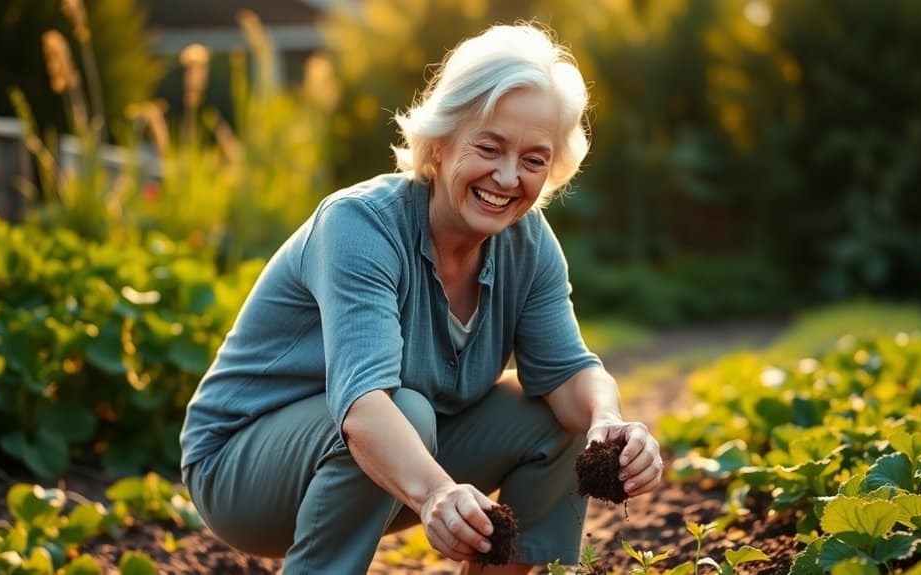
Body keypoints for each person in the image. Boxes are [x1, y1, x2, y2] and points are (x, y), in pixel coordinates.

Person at [180, 22, 663, 575]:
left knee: (559, 419)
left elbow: (569, 371)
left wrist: (608, 423)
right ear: (440, 141)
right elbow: (364, 406)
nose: (508, 177)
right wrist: (436, 494)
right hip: (241, 469)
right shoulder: (360, 226)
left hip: (394, 453)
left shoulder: (527, 244)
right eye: (489, 148)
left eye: (534, 160)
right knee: (403, 409)